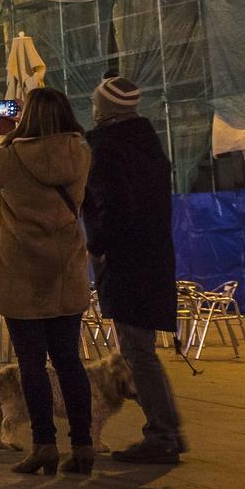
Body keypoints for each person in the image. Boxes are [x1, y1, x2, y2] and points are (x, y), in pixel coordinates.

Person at [0, 86, 95, 476]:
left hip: (22, 277)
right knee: (69, 362)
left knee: (31, 365)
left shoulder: (11, 160)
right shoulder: (80, 153)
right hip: (65, 273)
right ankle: (83, 445)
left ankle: (44, 444)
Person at [82, 75, 186, 464]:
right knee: (141, 350)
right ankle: (168, 429)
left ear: (104, 108)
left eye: (96, 102)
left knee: (137, 352)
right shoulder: (149, 145)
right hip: (154, 259)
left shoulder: (108, 148)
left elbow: (112, 205)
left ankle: (163, 433)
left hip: (126, 262)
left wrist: (98, 246)